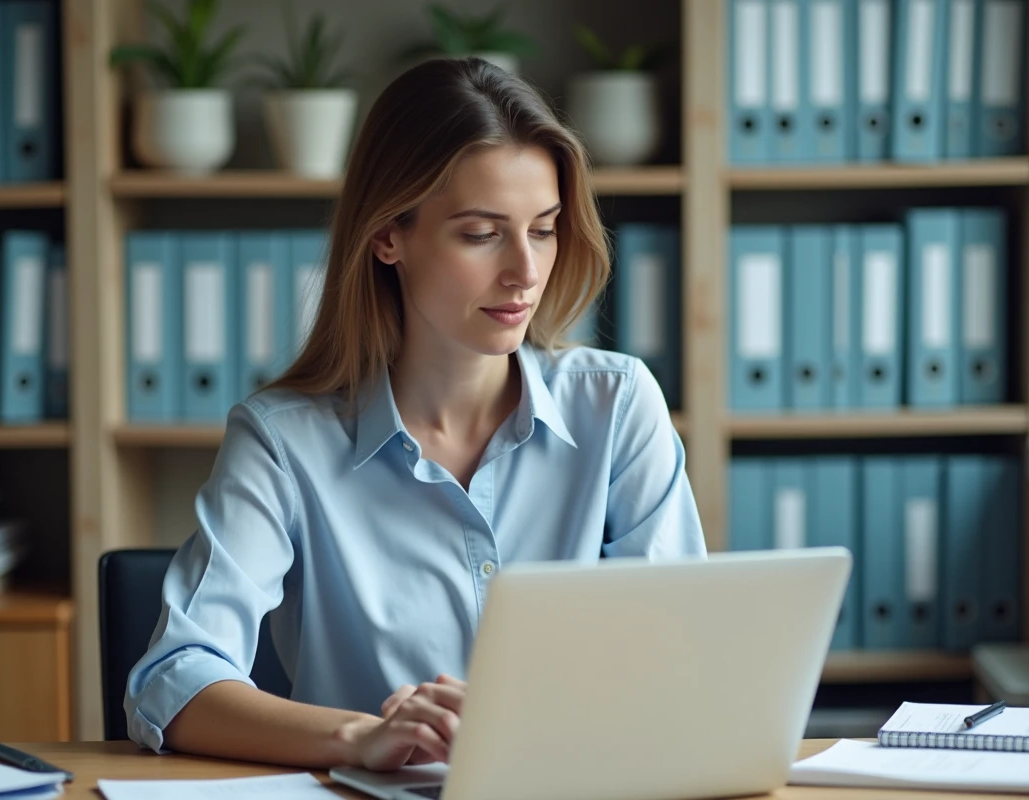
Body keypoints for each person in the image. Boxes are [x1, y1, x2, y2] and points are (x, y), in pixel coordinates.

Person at [124, 56, 706, 772]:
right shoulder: (283, 441)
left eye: (544, 229)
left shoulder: (616, 406)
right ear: (388, 237)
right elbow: (173, 679)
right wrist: (360, 737)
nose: (525, 272)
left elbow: (686, 662)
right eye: (481, 233)